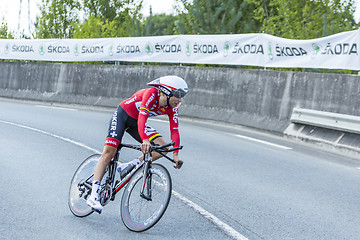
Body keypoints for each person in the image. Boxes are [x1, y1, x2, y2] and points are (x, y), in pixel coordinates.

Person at [86, 75, 188, 211]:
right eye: (177, 95)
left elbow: (174, 130)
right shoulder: (151, 94)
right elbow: (142, 117)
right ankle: (93, 195)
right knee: (109, 153)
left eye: (182, 96)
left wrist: (175, 154)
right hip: (123, 116)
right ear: (165, 92)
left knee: (163, 149)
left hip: (138, 123)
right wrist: (145, 140)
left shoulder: (173, 108)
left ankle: (131, 164)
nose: (180, 99)